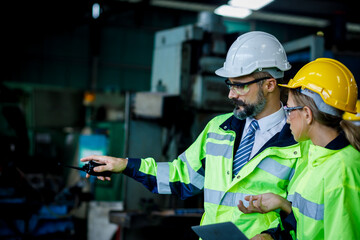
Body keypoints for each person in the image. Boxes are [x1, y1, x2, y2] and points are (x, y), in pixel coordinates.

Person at [80, 31, 300, 238]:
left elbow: (307, 216)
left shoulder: (299, 142)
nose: (230, 94)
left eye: (240, 86)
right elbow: (182, 176)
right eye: (229, 84)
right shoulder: (218, 129)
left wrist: (272, 238)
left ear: (270, 84)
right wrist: (124, 164)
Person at [238, 58, 360, 240]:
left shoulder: (341, 170)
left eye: (289, 110)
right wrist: (283, 206)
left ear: (308, 114)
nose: (287, 120)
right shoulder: (316, 156)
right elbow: (309, 225)